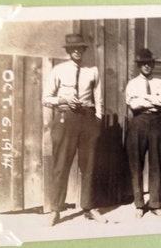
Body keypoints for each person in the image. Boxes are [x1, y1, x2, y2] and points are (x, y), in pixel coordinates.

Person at [43, 33, 107, 226]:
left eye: (80, 48)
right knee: (61, 164)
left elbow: (99, 98)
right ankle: (55, 210)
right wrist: (63, 100)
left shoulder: (92, 71)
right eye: (73, 48)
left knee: (89, 165)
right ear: (68, 50)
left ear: (84, 50)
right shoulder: (58, 70)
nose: (77, 51)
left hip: (88, 119)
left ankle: (88, 207)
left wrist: (97, 120)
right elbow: (46, 98)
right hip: (66, 118)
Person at [125, 48, 161, 219]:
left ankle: (155, 204)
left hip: (157, 122)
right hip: (139, 122)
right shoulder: (132, 83)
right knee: (136, 163)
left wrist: (146, 99)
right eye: (143, 64)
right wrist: (154, 101)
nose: (146, 66)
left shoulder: (159, 82)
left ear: (153, 65)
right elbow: (133, 105)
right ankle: (139, 204)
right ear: (139, 66)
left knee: (156, 163)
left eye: (149, 63)